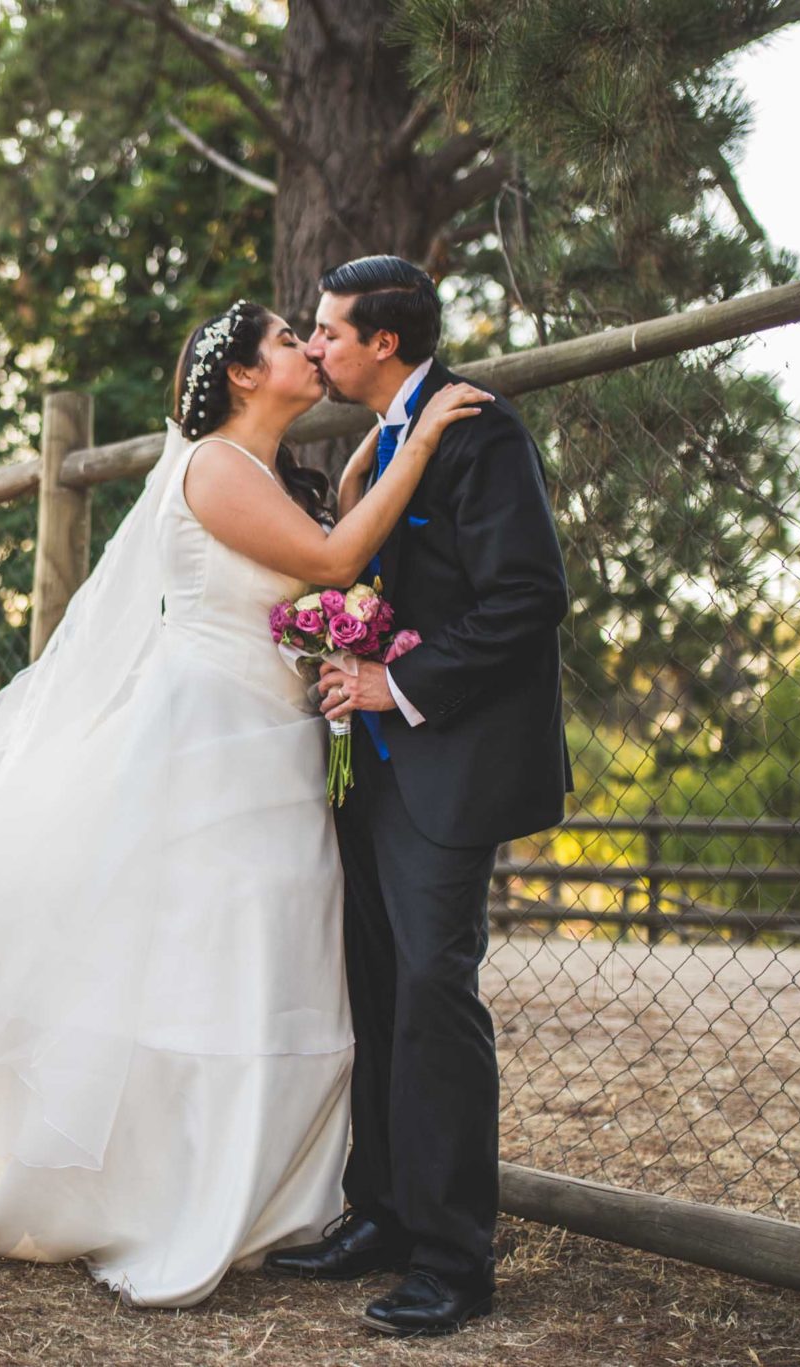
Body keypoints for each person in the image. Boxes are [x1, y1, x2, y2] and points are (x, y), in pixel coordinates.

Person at [0, 300, 486, 1306]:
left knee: (269, 949)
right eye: (286, 340)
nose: (309, 347)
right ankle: (181, 1187)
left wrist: (360, 470)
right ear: (245, 376)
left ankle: (261, 1189)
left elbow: (319, 540)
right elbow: (335, 562)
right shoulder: (210, 465)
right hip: (215, 738)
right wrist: (419, 438)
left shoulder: (254, 471)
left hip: (271, 735)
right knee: (210, 954)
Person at [265, 255, 571, 1339]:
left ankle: (453, 1256)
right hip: (373, 766)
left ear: (383, 343)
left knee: (435, 992)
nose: (313, 347)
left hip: (448, 759)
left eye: (328, 332)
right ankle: (381, 1212)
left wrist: (396, 682)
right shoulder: (389, 435)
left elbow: (529, 595)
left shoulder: (479, 431)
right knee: (377, 986)